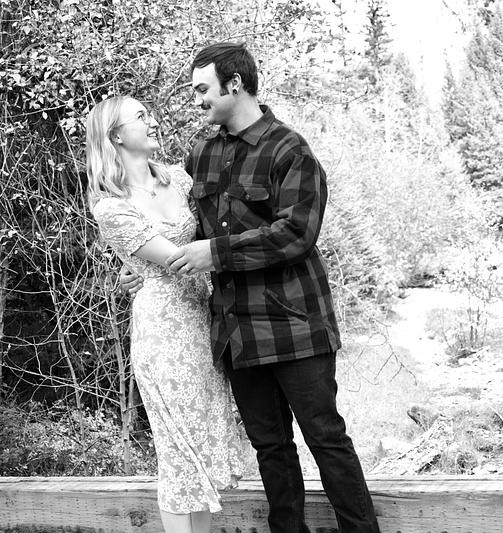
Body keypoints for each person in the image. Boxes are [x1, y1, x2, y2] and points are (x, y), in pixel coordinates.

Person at [122, 42, 381, 533]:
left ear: (235, 84)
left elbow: (297, 233)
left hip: (295, 323)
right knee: (270, 447)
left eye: (203, 88)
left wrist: (216, 253)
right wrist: (144, 267)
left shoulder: (289, 149)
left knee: (326, 438)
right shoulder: (201, 153)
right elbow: (179, 224)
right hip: (236, 330)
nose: (197, 99)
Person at [85, 96, 244, 533]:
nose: (152, 120)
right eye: (141, 117)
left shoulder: (178, 178)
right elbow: (177, 260)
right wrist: (134, 269)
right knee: (177, 454)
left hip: (205, 324)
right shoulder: (111, 205)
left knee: (199, 453)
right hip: (163, 332)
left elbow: (216, 225)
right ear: (116, 136)